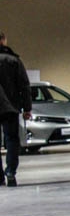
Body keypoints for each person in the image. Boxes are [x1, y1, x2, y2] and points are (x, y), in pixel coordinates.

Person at [0, 31, 32, 187]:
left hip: (8, 106)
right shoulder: (14, 60)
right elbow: (24, 86)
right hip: (10, 107)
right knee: (12, 139)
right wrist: (27, 108)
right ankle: (11, 171)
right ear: (3, 41)